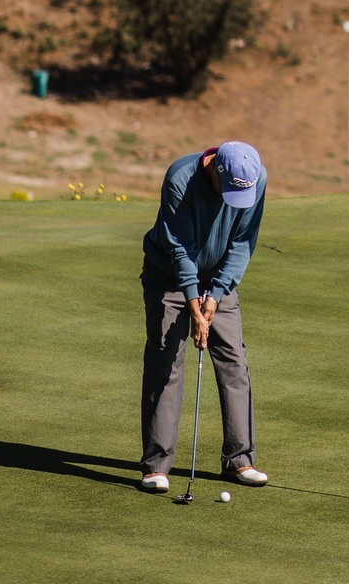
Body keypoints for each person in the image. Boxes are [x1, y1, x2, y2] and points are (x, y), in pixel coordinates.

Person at [139, 141, 268, 493]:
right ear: (214, 169)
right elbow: (179, 247)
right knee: (166, 362)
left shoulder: (254, 177)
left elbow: (243, 241)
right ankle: (156, 466)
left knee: (234, 363)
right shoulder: (181, 178)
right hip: (169, 276)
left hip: (218, 280)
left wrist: (216, 294)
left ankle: (239, 460)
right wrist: (194, 304)